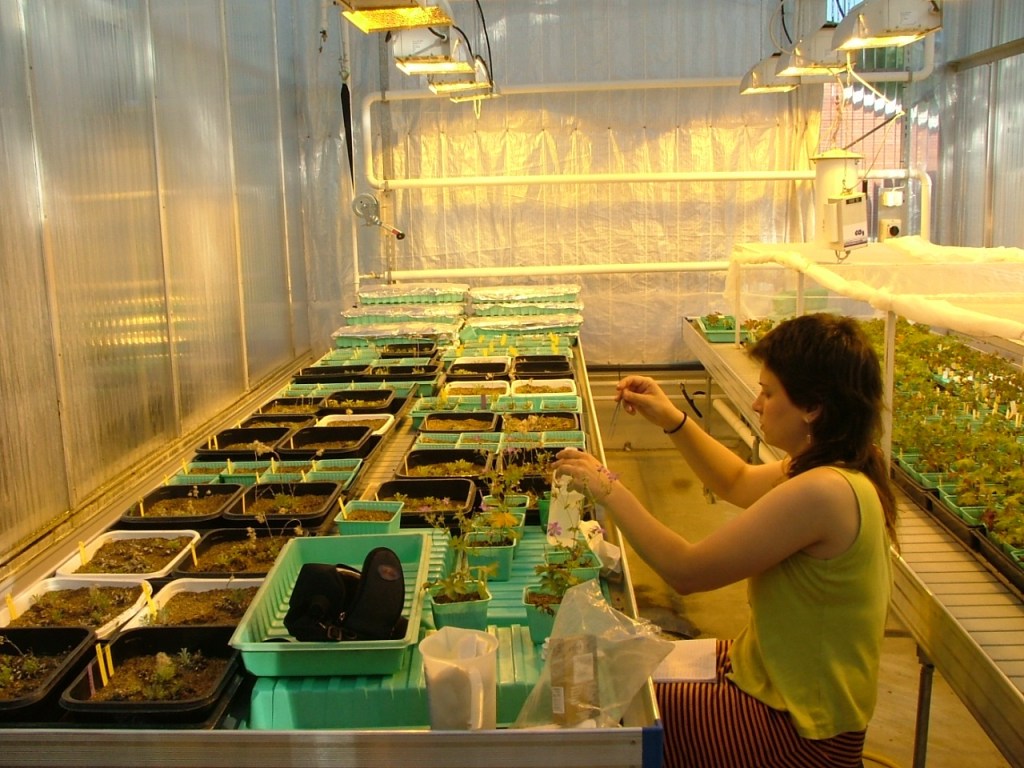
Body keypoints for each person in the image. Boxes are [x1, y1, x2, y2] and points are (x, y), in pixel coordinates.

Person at [552, 313, 897, 768]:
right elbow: (735, 479)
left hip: (797, 730)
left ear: (812, 406)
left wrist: (608, 486)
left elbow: (687, 571)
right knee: (617, 663)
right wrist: (671, 417)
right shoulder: (838, 463)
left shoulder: (824, 492)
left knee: (607, 705)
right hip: (768, 674)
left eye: (769, 393)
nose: (757, 403)